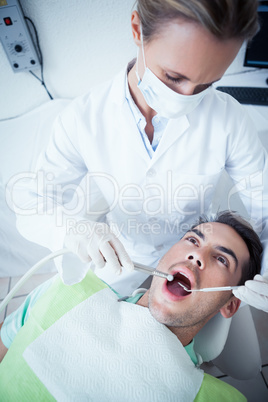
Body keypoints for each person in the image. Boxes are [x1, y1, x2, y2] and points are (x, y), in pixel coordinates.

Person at [10, 0, 268, 311]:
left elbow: (264, 208)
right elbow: (30, 202)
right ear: (137, 29)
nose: (186, 97)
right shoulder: (83, 119)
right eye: (173, 77)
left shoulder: (229, 119)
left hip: (194, 269)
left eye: (207, 85)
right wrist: (73, 230)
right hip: (121, 257)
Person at [0, 212, 263, 400]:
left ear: (230, 306)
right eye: (192, 240)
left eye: (221, 259)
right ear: (165, 255)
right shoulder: (70, 287)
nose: (196, 255)